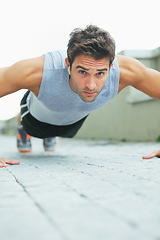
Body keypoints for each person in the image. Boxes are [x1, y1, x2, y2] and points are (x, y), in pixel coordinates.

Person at [0, 25, 160, 168]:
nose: (91, 85)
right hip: (35, 119)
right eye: (82, 72)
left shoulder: (126, 72)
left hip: (73, 123)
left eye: (100, 73)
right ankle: (21, 126)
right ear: (68, 65)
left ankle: (52, 135)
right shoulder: (38, 71)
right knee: (30, 122)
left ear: (110, 67)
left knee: (61, 129)